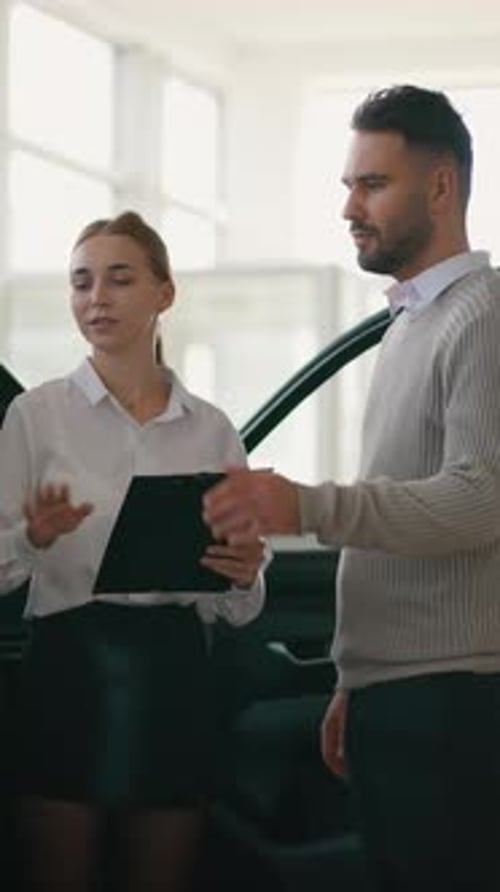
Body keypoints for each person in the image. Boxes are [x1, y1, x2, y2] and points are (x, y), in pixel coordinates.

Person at [202, 85, 500, 892]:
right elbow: (410, 506)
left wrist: (305, 505)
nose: (349, 207)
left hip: (451, 702)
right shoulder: (412, 321)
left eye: (372, 184)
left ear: (440, 188)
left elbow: (479, 499)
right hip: (400, 691)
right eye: (346, 185)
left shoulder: (484, 317)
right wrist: (355, 677)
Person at [0, 210, 266, 892]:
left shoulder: (210, 429)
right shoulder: (36, 415)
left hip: (173, 674)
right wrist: (34, 537)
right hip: (68, 671)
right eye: (81, 283)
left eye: (119, 280)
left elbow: (239, 605)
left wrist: (243, 575)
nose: (96, 299)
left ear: (163, 293)